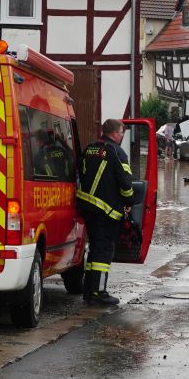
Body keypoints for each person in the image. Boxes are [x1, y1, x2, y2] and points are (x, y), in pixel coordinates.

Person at [75, 118, 138, 305]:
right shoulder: (117, 152)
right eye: (122, 133)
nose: (122, 136)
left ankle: (89, 290)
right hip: (106, 210)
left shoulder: (90, 148)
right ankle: (99, 293)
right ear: (115, 133)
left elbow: (80, 173)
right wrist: (129, 201)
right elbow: (125, 183)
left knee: (94, 248)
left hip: (86, 207)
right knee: (103, 251)